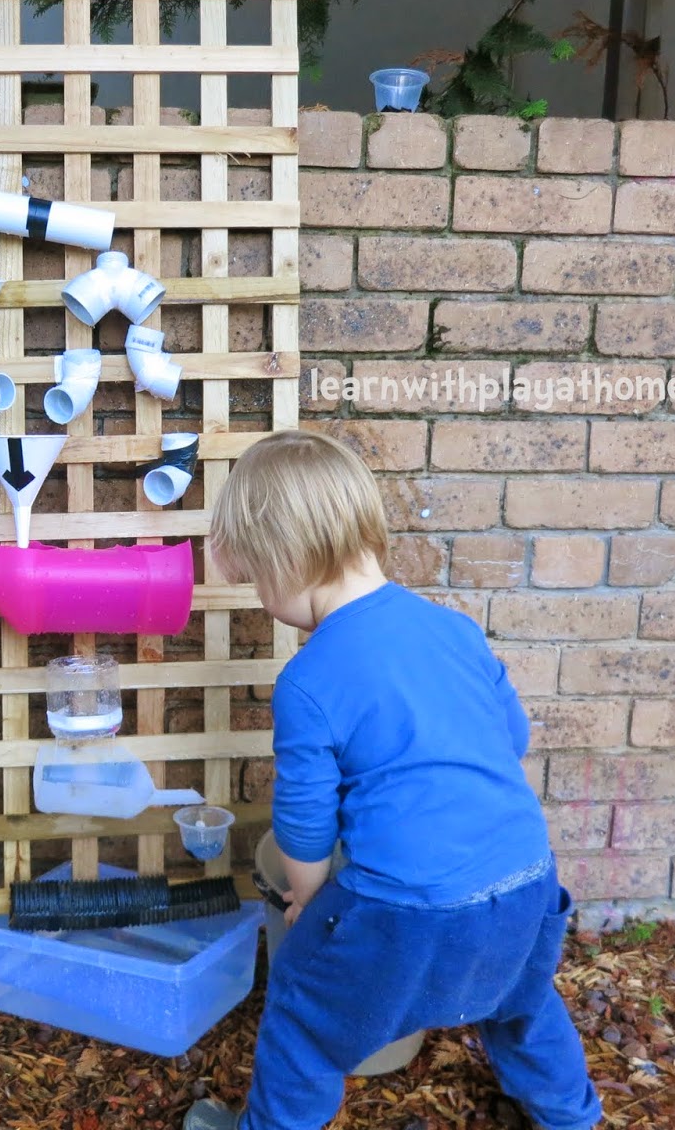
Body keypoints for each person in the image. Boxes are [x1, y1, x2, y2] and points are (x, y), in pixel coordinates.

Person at [186, 429, 602, 1130]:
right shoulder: (454, 630)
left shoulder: (309, 680)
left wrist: (308, 902)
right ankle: (571, 1118)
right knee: (523, 1002)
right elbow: (513, 739)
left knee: (303, 1016)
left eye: (257, 578)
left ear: (288, 557)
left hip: (406, 912)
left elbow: (306, 820)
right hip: (526, 880)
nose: (261, 599)